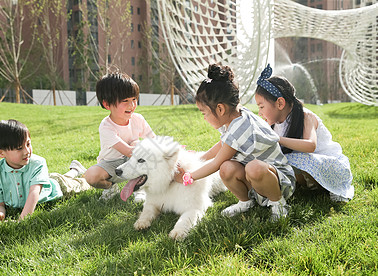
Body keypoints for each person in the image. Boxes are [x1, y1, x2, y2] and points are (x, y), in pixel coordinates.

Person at [175, 64, 296, 221]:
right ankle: (246, 202)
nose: (204, 118)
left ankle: (279, 203)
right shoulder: (234, 118)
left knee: (252, 168)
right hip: (256, 180)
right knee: (227, 168)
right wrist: (200, 158)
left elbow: (215, 163)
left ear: (220, 109)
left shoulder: (240, 128)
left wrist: (188, 176)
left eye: (205, 113)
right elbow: (221, 146)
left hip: (280, 182)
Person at [255, 64, 354, 202]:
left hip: (331, 166)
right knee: (277, 160)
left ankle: (330, 187)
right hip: (309, 167)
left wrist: (277, 139)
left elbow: (310, 145)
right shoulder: (274, 122)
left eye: (261, 107)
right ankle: (308, 186)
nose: (260, 112)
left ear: (280, 103)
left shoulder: (305, 116)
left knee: (290, 159)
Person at [0, 119, 91, 222]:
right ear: (0, 153)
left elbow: (34, 192)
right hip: (46, 178)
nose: (27, 151)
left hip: (58, 186)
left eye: (28, 144)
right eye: (19, 148)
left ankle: (83, 172)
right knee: (64, 177)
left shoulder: (37, 163)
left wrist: (22, 220)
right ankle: (75, 169)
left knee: (86, 183)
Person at [83, 71, 155, 201]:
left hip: (133, 160)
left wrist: (171, 150)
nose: (132, 105)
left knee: (138, 145)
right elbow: (127, 151)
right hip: (112, 164)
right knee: (91, 176)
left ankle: (139, 188)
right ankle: (111, 187)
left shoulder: (138, 119)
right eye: (125, 101)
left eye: (134, 99)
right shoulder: (106, 126)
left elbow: (154, 140)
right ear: (107, 104)